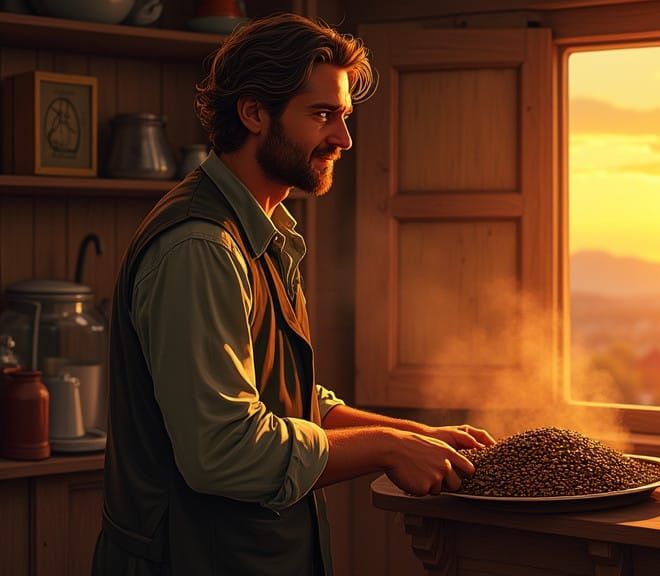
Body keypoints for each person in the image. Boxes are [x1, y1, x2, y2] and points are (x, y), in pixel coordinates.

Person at [92, 13, 495, 576]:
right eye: (323, 115)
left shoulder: (267, 229)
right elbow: (225, 450)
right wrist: (383, 449)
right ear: (254, 112)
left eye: (345, 116)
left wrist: (415, 436)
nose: (344, 138)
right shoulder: (201, 246)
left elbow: (286, 401)